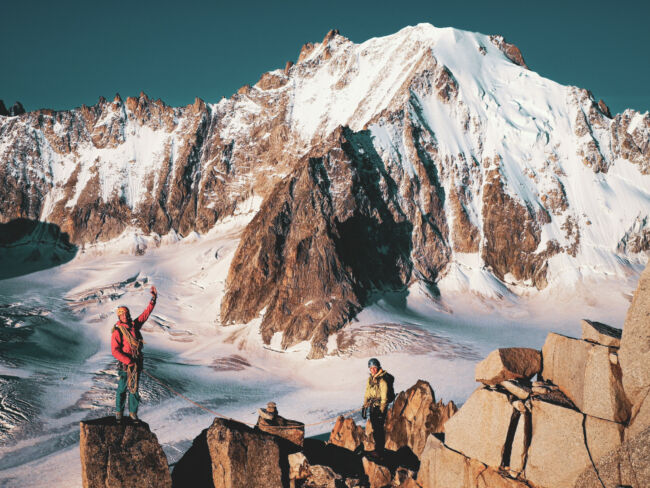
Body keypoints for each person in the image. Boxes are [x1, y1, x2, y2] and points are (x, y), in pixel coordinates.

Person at [111, 285, 157, 421]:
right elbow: (115, 350)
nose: (125, 316)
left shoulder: (134, 326)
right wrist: (128, 361)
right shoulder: (118, 331)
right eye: (122, 314)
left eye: (126, 313)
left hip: (135, 363)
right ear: (119, 316)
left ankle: (132, 413)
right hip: (127, 364)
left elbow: (145, 315)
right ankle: (119, 413)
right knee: (122, 389)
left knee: (134, 389)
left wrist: (153, 300)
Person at [361, 357, 388, 452]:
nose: (372, 370)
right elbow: (367, 393)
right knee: (375, 429)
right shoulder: (370, 380)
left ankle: (380, 450)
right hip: (372, 407)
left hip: (379, 407)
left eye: (374, 368)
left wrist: (382, 411)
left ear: (378, 368)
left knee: (379, 430)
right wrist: (364, 406)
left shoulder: (382, 381)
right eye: (371, 368)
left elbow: (384, 398)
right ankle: (378, 450)